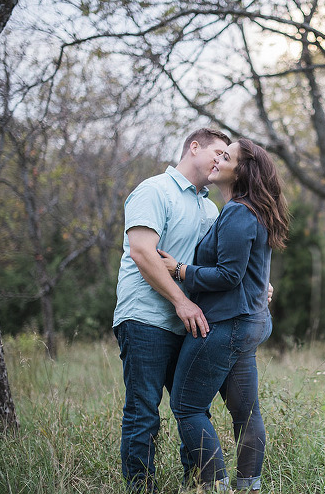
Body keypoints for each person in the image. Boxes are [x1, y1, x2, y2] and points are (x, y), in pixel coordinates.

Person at [157, 138, 289, 493]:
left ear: (241, 171)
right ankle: (249, 487)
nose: (218, 159)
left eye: (226, 157)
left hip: (229, 324)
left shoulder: (238, 212)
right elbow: (247, 273)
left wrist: (180, 270)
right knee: (245, 413)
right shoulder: (248, 211)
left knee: (186, 406)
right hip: (249, 322)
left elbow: (229, 275)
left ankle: (215, 486)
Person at [112, 128, 232, 493]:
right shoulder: (154, 190)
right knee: (143, 411)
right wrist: (181, 301)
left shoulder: (209, 207)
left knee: (193, 409)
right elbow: (143, 252)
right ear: (193, 147)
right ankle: (140, 488)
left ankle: (196, 485)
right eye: (217, 151)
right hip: (145, 317)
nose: (221, 160)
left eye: (227, 156)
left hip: (190, 323)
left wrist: (258, 286)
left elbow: (216, 265)